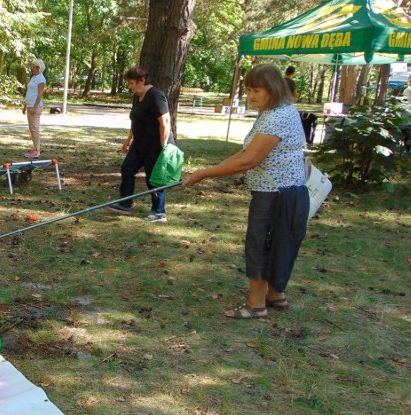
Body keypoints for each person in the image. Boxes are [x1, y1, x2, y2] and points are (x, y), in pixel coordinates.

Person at [182, 63, 308, 319]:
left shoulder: (278, 117)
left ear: (272, 89)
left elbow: (249, 161)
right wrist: (212, 169)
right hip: (280, 191)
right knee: (275, 244)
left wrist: (205, 173)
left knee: (260, 245)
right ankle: (275, 295)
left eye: (256, 90)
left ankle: (256, 305)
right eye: (248, 89)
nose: (250, 96)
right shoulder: (274, 111)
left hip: (277, 195)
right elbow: (244, 153)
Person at [107, 67, 171, 222]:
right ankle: (125, 204)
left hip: (155, 145)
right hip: (139, 144)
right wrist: (129, 139)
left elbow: (165, 121)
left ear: (141, 80)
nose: (131, 87)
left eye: (132, 83)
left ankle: (159, 212)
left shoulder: (155, 96)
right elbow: (136, 121)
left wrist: (163, 147)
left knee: (153, 179)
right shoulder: (138, 96)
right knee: (127, 169)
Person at [22, 59, 46, 158]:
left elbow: (40, 93)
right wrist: (25, 105)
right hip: (29, 104)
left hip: (35, 106)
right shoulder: (33, 78)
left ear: (38, 68)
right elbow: (29, 92)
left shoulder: (41, 79)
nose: (32, 68)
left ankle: (37, 150)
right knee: (31, 128)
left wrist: (35, 106)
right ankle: (34, 147)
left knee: (35, 128)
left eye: (34, 67)